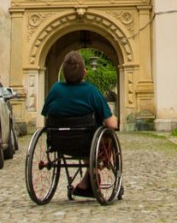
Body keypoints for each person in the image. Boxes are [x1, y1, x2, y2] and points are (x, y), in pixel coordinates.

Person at [39, 51, 118, 197]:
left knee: (84, 136)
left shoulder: (55, 89)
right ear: (85, 72)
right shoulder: (91, 91)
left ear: (63, 73)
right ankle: (92, 176)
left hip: (59, 142)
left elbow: (45, 115)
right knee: (104, 135)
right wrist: (114, 118)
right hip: (87, 143)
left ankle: (86, 181)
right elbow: (112, 124)